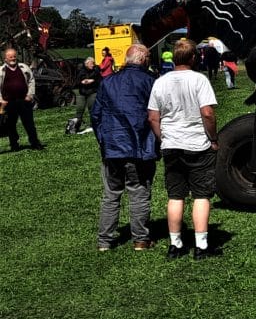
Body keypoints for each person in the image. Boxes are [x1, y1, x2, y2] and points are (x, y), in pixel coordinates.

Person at [147, 39, 221, 260]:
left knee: (176, 196)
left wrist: (164, 138)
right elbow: (207, 113)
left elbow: (152, 117)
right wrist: (213, 138)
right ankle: (201, 245)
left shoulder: (160, 82)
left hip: (171, 144)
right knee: (200, 195)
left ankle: (175, 244)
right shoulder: (199, 80)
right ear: (192, 58)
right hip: (197, 143)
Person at [91, 44, 158, 251]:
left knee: (111, 194)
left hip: (113, 147)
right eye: (147, 57)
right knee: (138, 192)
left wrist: (104, 139)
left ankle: (105, 241)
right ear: (143, 59)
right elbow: (156, 115)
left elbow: (96, 115)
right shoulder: (150, 82)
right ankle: (140, 239)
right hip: (139, 146)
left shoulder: (108, 82)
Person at [0, 48, 44, 151]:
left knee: (29, 124)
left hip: (24, 101)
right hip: (9, 102)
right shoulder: (1, 71)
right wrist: (1, 100)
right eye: (10, 56)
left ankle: (35, 143)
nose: (13, 58)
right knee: (11, 125)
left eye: (14, 56)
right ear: (5, 58)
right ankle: (14, 145)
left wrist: (30, 95)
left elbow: (31, 80)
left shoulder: (24, 67)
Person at [67, 56, 102, 134]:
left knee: (91, 108)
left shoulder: (96, 70)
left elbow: (100, 81)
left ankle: (93, 125)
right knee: (80, 109)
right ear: (86, 64)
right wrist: (82, 82)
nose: (93, 65)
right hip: (82, 92)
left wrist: (93, 80)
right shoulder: (81, 71)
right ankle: (75, 127)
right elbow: (77, 82)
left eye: (93, 63)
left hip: (92, 91)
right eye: (91, 63)